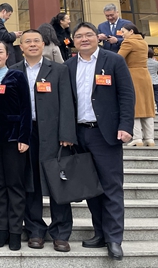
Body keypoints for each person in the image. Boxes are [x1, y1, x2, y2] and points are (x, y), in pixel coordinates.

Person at [65, 22, 134, 261]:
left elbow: (126, 94)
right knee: (91, 187)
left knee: (111, 187)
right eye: (79, 36)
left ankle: (114, 238)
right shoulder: (68, 65)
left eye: (88, 35)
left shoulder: (113, 61)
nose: (84, 39)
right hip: (79, 134)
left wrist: (126, 126)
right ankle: (100, 233)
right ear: (73, 41)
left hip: (105, 134)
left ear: (98, 37)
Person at [11, 30, 77, 252]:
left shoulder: (59, 70)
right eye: (27, 41)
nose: (32, 44)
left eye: (36, 41)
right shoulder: (13, 70)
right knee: (30, 183)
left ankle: (61, 233)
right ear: (21, 46)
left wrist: (67, 134)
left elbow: (67, 103)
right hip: (25, 133)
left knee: (58, 182)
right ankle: (35, 230)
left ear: (43, 45)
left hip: (53, 133)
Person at [0, 40, 32, 251]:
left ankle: (15, 232)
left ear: (7, 55)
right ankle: (2, 230)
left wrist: (24, 137)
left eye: (0, 51)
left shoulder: (17, 76)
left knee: (15, 185)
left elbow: (26, 108)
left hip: (13, 138)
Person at [118, 24, 155, 147]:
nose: (122, 35)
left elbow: (118, 58)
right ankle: (150, 138)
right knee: (147, 106)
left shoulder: (128, 42)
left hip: (132, 75)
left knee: (134, 105)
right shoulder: (143, 42)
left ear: (131, 31)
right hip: (145, 75)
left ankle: (137, 138)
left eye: (123, 32)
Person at [147, 48, 158, 118]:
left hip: (147, 81)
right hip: (155, 81)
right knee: (157, 97)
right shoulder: (156, 63)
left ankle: (148, 111)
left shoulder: (143, 62)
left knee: (147, 97)